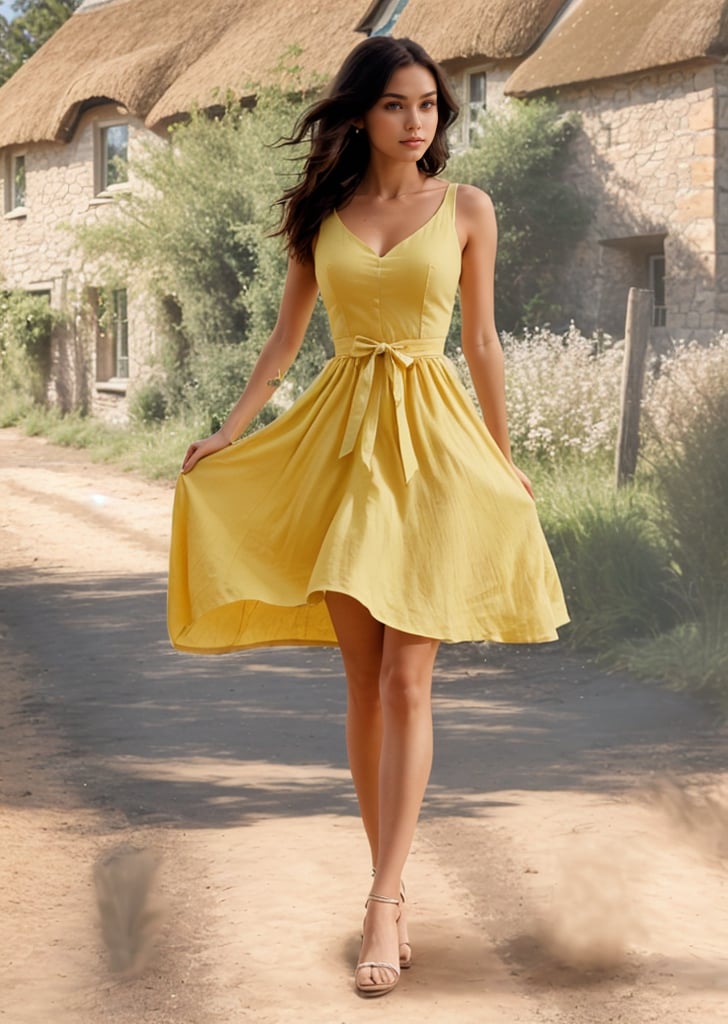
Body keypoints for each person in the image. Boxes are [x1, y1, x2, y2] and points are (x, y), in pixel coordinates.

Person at [168, 35, 568, 998]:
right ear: (360, 115)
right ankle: (388, 878)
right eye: (396, 104)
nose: (417, 120)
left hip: (434, 452)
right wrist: (228, 433)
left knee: (407, 679)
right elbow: (285, 342)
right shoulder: (324, 218)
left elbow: (480, 341)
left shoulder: (468, 208)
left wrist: (505, 462)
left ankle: (383, 901)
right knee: (362, 679)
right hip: (343, 450)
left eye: (429, 104)